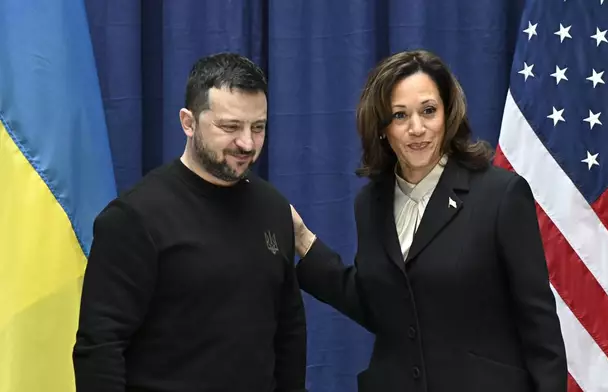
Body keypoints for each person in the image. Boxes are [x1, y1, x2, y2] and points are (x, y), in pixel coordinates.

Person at [290, 50, 567, 392]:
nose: (417, 128)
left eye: (428, 111)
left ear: (447, 115)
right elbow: (384, 310)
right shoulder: (370, 204)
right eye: (400, 115)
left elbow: (539, 327)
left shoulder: (501, 195)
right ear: (382, 128)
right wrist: (305, 242)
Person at [73, 53, 307, 392]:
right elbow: (100, 348)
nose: (247, 143)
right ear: (188, 121)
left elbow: (289, 332)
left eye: (258, 128)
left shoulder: (273, 207)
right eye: (229, 127)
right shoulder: (134, 218)